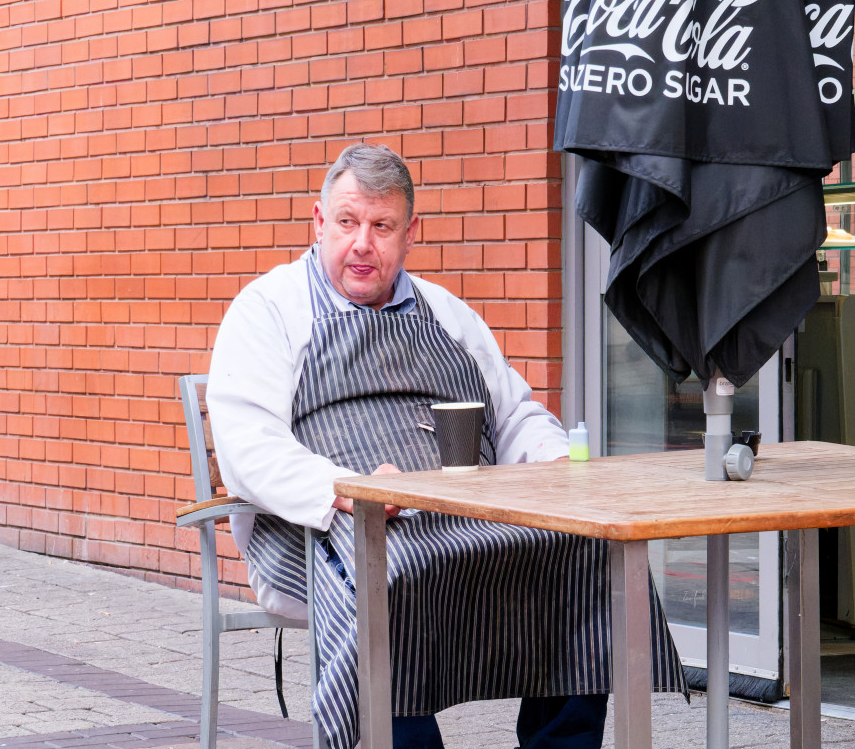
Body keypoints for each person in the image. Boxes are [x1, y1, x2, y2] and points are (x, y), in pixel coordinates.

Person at [206, 144, 685, 749]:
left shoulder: (445, 312)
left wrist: (557, 464)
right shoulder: (268, 310)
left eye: (382, 227)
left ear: (411, 233)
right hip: (326, 520)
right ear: (318, 222)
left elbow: (514, 413)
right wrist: (347, 490)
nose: (362, 244)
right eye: (348, 222)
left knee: (587, 551)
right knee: (393, 574)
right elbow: (249, 443)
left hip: (456, 512)